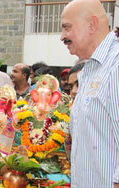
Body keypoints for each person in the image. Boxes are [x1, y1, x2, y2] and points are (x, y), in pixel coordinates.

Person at [60, 0, 119, 187]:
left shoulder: (115, 68)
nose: (62, 37)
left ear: (92, 24)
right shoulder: (89, 70)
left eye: (67, 28)